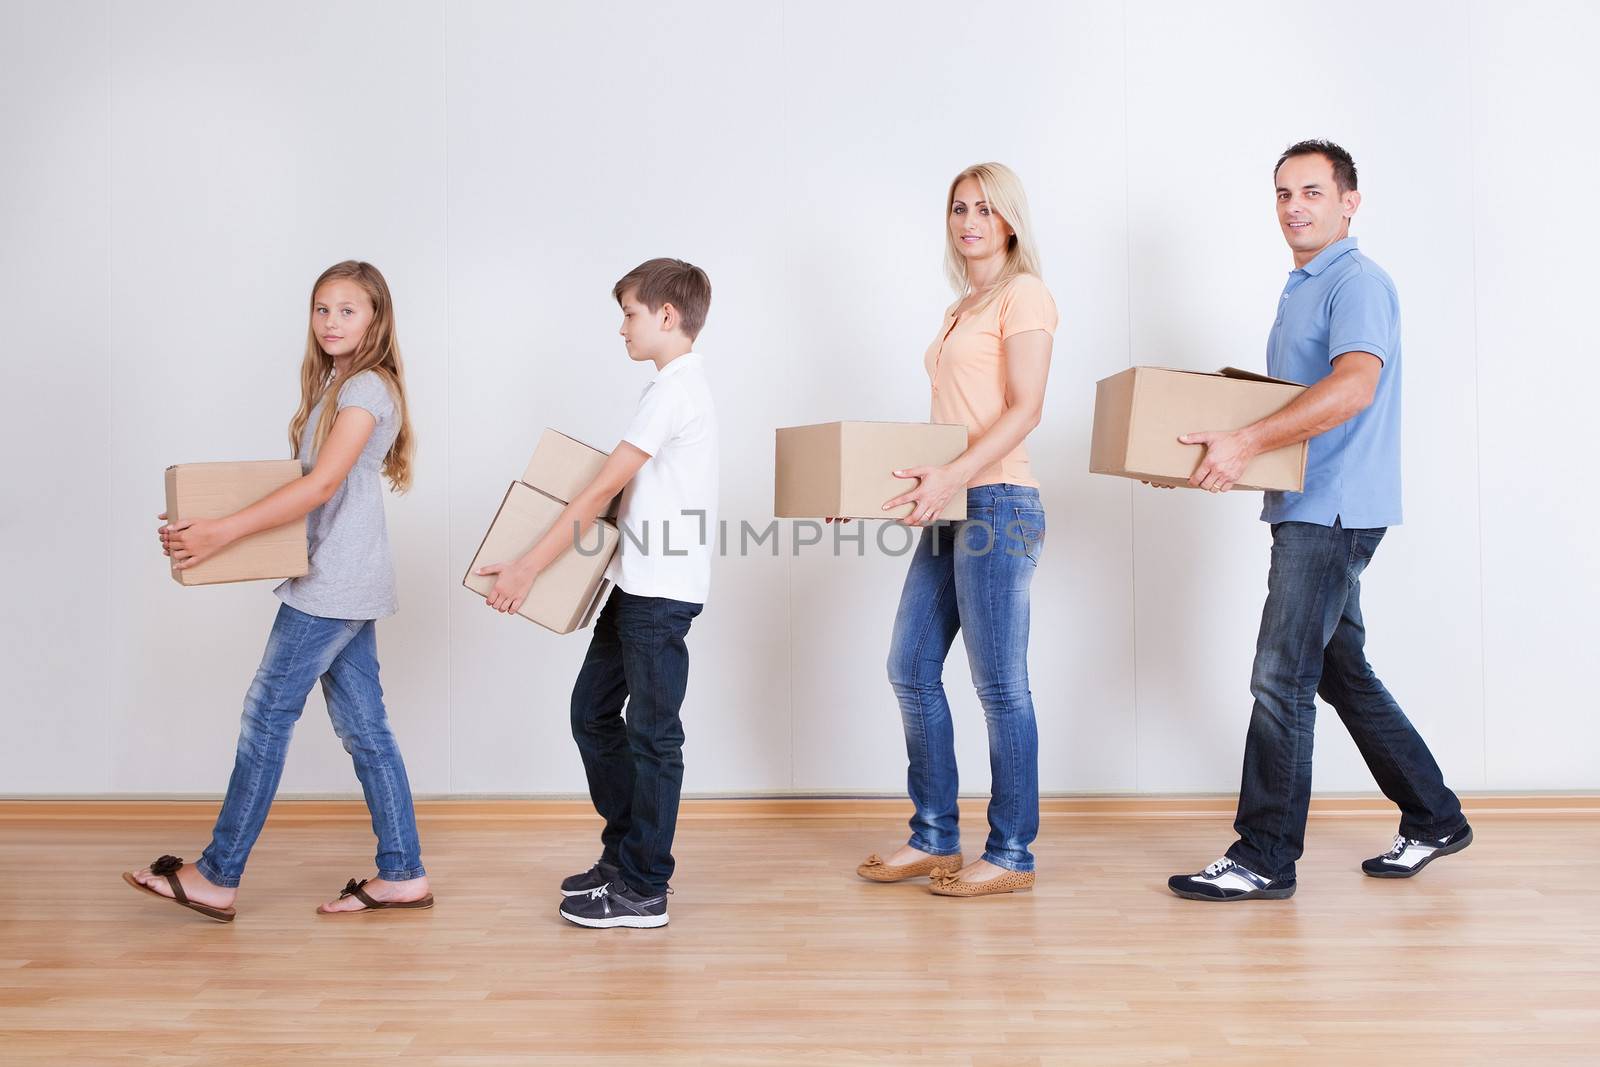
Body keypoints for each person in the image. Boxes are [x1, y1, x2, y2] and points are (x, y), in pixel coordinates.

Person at [1167, 140, 1471, 902]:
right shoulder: (1302, 284)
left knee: (1281, 674)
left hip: (1334, 509)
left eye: (1310, 191)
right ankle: (1434, 815)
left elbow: (1353, 388)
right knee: (1340, 670)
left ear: (1348, 201)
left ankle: (1265, 853)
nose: (1294, 206)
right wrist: (1222, 450)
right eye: (1281, 193)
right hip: (1308, 504)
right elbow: (1291, 401)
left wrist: (1244, 443)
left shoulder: (1357, 282)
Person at [124, 260, 432, 920]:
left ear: (375, 318)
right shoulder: (340, 386)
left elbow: (318, 488)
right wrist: (199, 524)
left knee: (267, 714)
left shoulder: (366, 389)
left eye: (347, 310)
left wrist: (221, 533)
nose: (330, 321)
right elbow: (300, 484)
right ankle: (402, 873)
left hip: (334, 584)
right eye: (322, 308)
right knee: (365, 728)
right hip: (343, 578)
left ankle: (217, 873)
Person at [479, 258, 718, 929]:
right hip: (635, 584)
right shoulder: (668, 389)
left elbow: (596, 492)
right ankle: (625, 853)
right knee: (592, 713)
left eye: (631, 313)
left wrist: (528, 566)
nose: (622, 328)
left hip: (659, 593)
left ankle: (644, 885)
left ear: (667, 315)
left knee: (652, 735)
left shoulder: (675, 390)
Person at [853, 162, 1056, 898]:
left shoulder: (1024, 294)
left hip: (999, 503)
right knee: (909, 666)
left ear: (1010, 221)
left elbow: (1025, 408)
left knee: (1000, 685)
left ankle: (1011, 853)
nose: (969, 220)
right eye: (958, 208)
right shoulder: (961, 306)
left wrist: (954, 477)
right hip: (950, 502)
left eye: (985, 208)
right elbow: (947, 428)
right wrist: (872, 487)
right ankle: (934, 833)